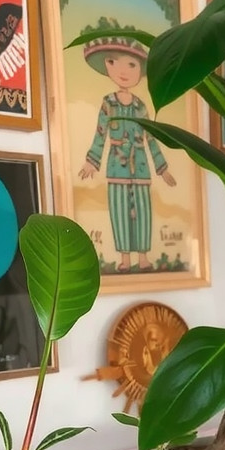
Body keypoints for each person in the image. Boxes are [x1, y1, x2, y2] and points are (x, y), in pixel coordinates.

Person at [78, 17, 176, 272]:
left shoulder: (141, 106)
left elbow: (152, 137)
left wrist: (162, 167)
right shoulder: (108, 104)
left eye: (131, 64)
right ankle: (124, 258)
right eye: (114, 62)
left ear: (140, 70)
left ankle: (143, 256)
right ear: (107, 65)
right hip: (116, 167)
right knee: (120, 211)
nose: (123, 71)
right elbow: (100, 133)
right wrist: (92, 161)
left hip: (141, 166)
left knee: (143, 211)